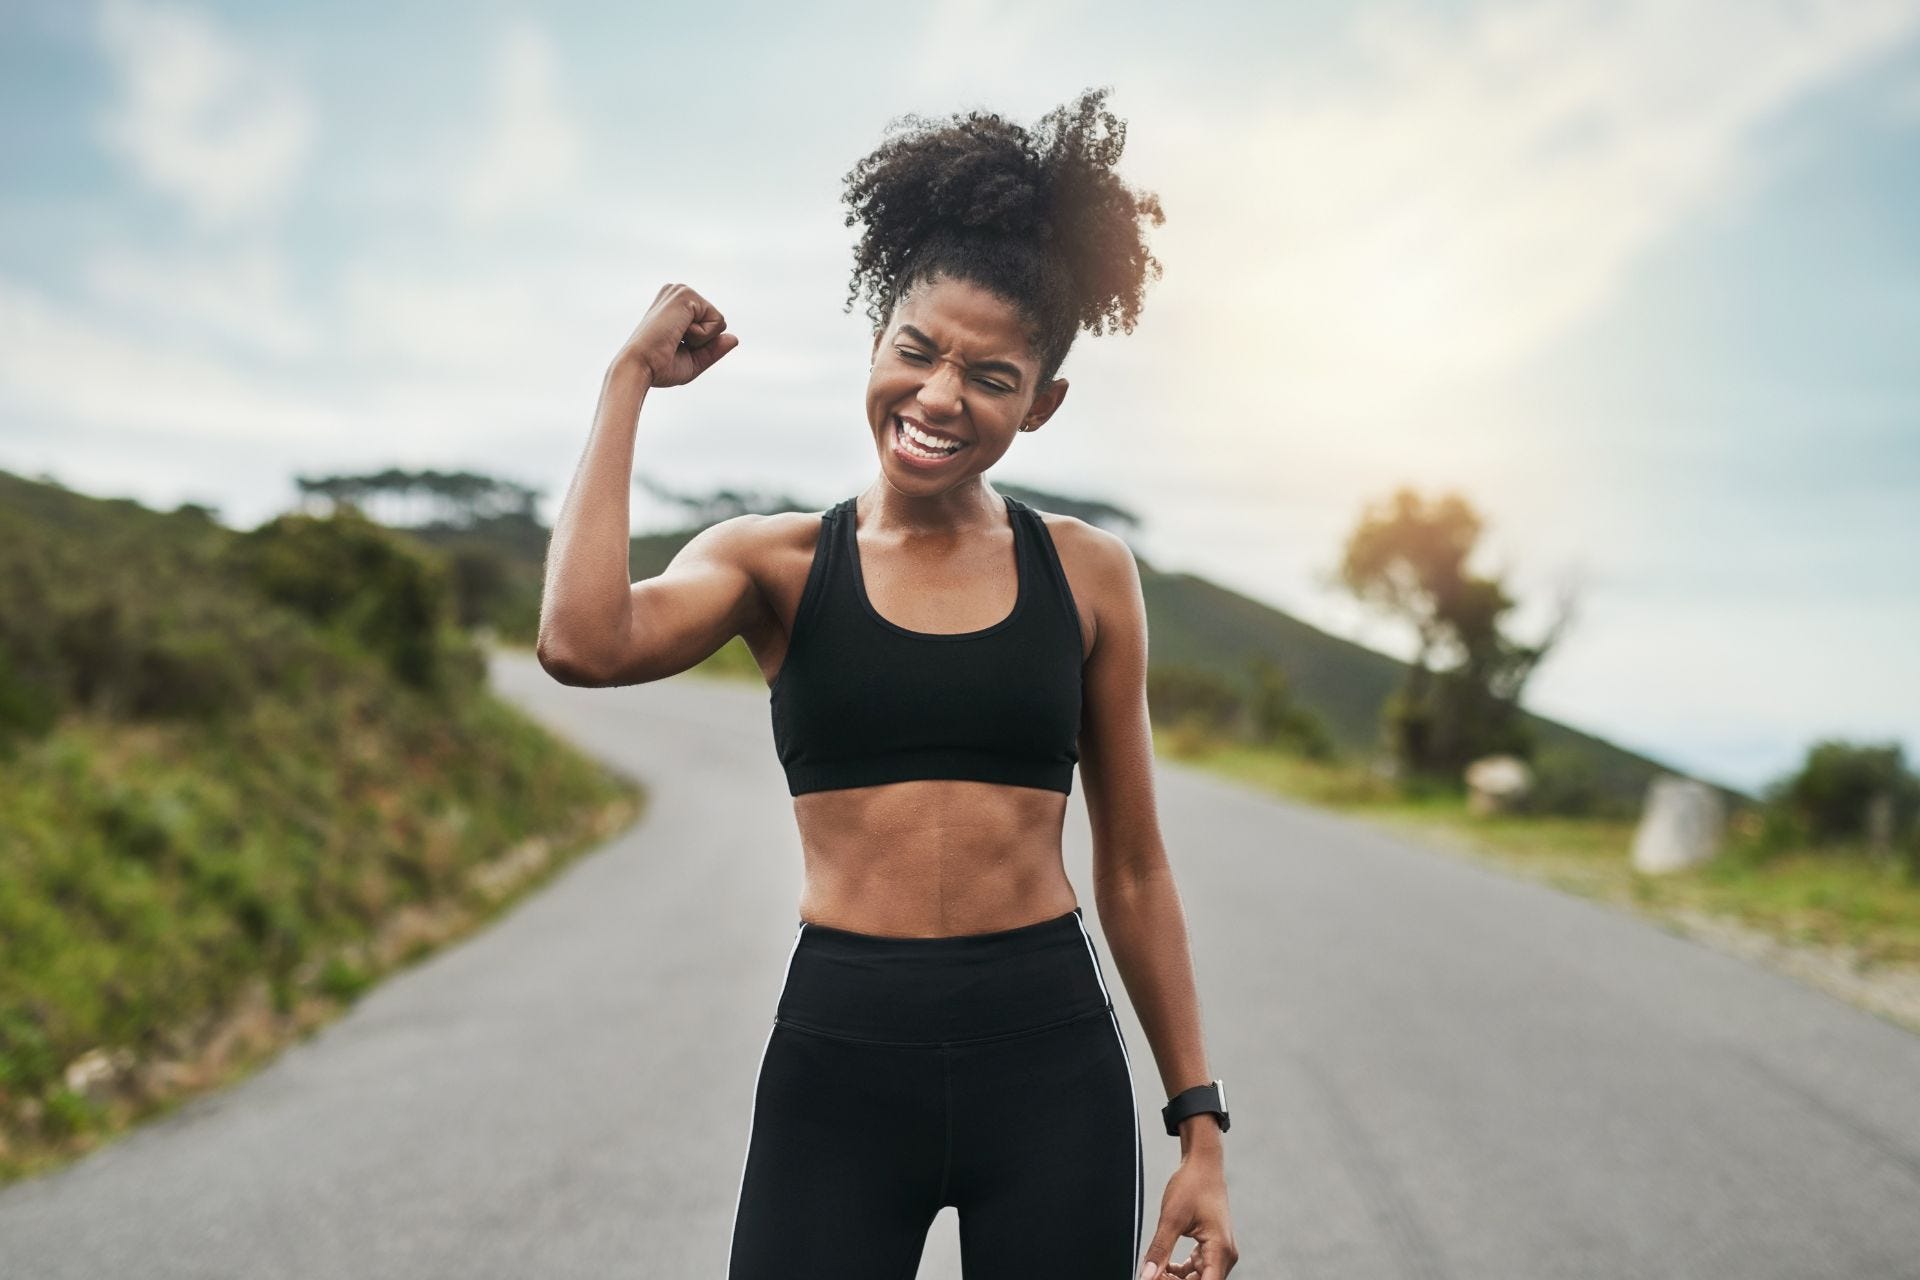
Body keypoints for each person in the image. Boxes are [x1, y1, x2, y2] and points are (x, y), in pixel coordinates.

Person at [536, 86, 1237, 1280]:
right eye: (916, 350)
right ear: (876, 340)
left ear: (1043, 401)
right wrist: (625, 383)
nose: (938, 397)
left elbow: (1132, 864)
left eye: (992, 375)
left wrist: (1200, 1127)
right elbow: (582, 641)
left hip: (1051, 1061)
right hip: (842, 1057)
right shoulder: (775, 563)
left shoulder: (1089, 577)